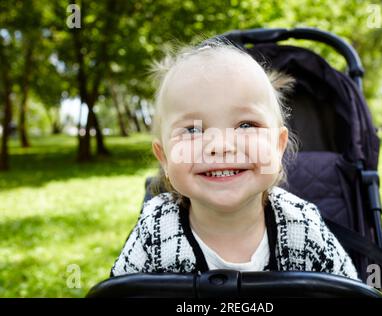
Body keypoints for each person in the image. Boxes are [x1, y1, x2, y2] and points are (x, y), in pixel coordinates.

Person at [110, 40, 358, 280]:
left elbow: (348, 291)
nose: (220, 146)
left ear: (278, 146)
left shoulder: (303, 227)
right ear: (163, 158)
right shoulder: (154, 230)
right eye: (193, 130)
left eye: (246, 125)